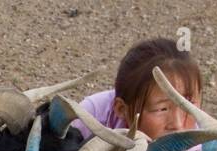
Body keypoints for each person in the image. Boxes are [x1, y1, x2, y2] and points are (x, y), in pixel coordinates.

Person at [73, 37, 203, 141]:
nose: (178, 125)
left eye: (188, 104)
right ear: (121, 109)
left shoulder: (197, 149)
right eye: (162, 109)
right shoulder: (92, 115)